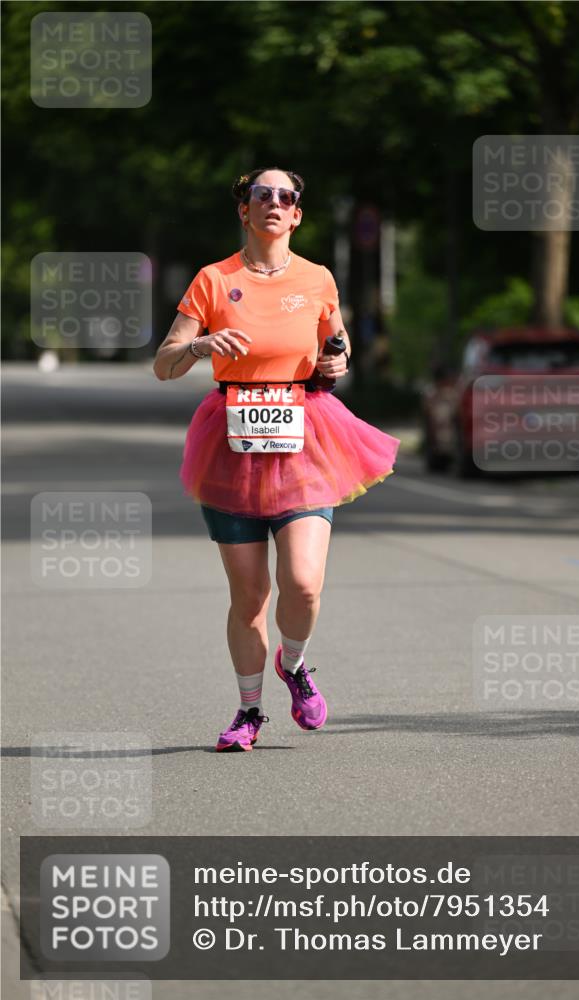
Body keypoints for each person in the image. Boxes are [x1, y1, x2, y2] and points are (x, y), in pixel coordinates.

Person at [153, 167, 400, 752]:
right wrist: (198, 345)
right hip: (231, 443)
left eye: (284, 197)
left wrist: (335, 366)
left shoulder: (317, 279)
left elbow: (335, 351)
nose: (272, 203)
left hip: (305, 436)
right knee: (250, 598)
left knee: (304, 585)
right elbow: (163, 364)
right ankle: (248, 712)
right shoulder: (214, 281)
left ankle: (294, 664)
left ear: (296, 215)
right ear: (245, 210)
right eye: (261, 195)